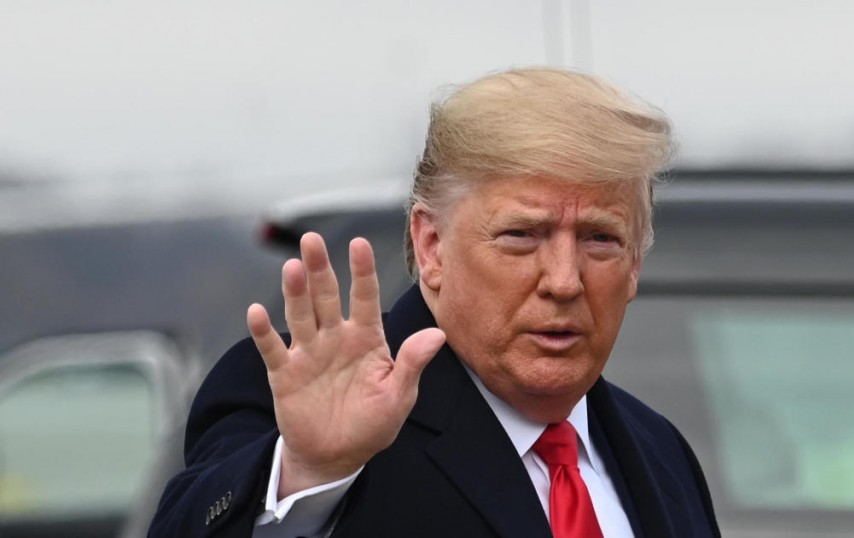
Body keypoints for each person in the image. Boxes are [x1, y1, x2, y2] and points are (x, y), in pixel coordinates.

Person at [149, 67, 720, 538]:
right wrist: (309, 475)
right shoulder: (304, 407)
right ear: (431, 246)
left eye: (601, 239)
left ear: (636, 264)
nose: (565, 281)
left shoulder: (661, 452)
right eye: (521, 236)